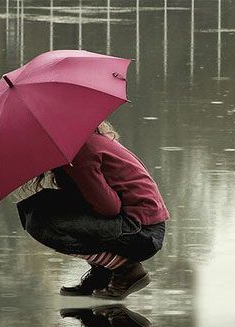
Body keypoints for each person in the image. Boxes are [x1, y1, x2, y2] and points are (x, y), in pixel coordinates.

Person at [25, 121, 169, 300]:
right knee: (39, 207)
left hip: (143, 232)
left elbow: (109, 207)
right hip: (140, 224)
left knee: (42, 222)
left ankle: (126, 269)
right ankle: (103, 272)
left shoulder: (79, 151)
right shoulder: (82, 139)